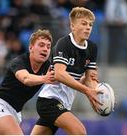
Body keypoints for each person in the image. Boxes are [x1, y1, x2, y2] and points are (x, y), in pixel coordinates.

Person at [31, 7, 101, 135]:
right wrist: (87, 91)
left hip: (64, 104)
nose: (88, 28)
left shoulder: (92, 48)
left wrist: (97, 96)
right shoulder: (64, 44)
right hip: (49, 101)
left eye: (90, 25)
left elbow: (90, 79)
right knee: (79, 131)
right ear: (72, 26)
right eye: (84, 24)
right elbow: (59, 74)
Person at [0, 29, 55, 135]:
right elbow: (26, 79)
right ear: (31, 48)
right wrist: (44, 78)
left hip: (15, 112)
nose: (45, 49)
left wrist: (82, 81)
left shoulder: (47, 66)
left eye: (48, 47)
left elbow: (63, 77)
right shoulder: (19, 61)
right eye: (41, 45)